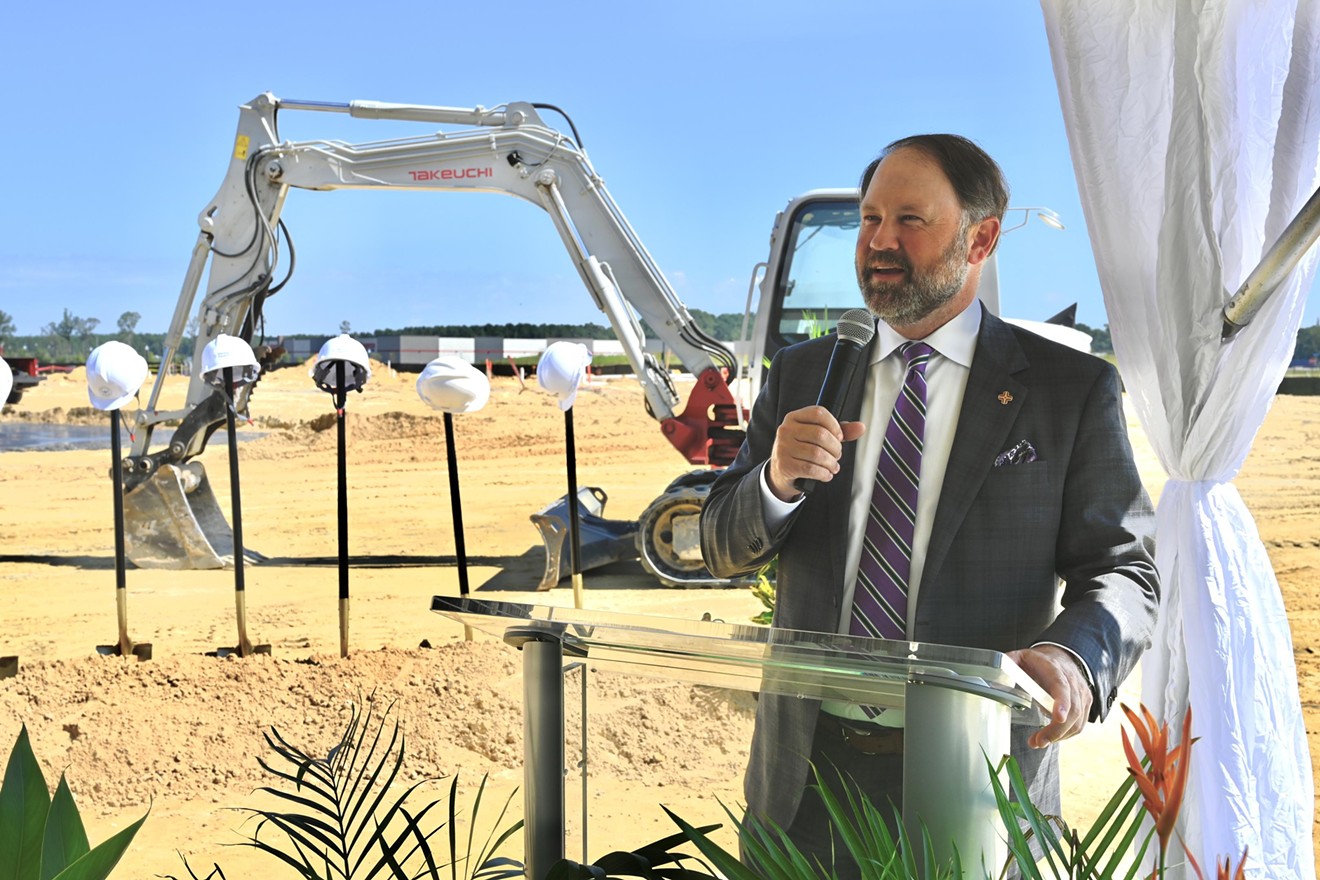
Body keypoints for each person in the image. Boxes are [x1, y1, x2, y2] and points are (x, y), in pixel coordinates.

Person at [700, 134, 1159, 877]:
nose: (880, 242)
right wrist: (774, 486)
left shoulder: (1068, 391)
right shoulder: (803, 375)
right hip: (802, 789)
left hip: (978, 784)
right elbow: (718, 543)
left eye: (910, 220)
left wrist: (1074, 661)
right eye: (870, 218)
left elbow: (1125, 571)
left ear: (981, 237)